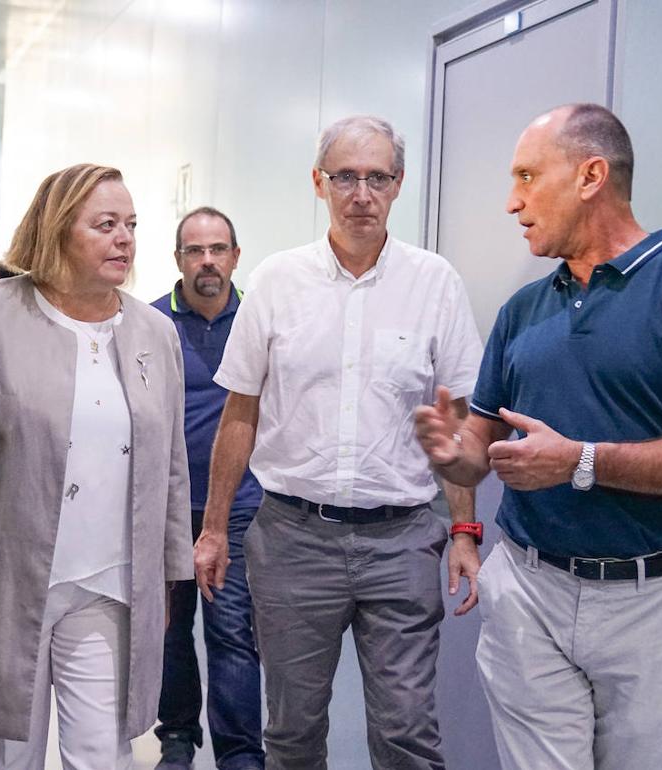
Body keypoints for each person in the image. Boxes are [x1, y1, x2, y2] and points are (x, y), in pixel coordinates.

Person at [415, 103, 662, 770]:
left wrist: (581, 462)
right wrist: (450, 455)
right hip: (528, 591)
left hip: (651, 599)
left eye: (526, 176)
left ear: (591, 175)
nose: (512, 202)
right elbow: (477, 454)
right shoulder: (522, 310)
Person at [196, 115, 484, 769]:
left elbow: (456, 421)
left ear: (399, 184)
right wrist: (214, 530)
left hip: (403, 541)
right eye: (346, 177)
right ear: (319, 183)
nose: (362, 193)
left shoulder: (434, 283)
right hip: (294, 540)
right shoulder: (276, 280)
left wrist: (465, 530)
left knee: (408, 732)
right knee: (293, 733)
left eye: (377, 177)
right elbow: (239, 412)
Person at [0, 163, 193, 769]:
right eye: (106, 224)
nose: (125, 239)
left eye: (132, 225)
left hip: (110, 586)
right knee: (1, 756)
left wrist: (167, 577)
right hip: (5, 584)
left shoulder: (153, 332)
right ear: (58, 230)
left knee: (102, 757)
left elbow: (171, 470)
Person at [151, 207, 264, 770]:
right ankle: (176, 736)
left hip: (241, 508)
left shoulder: (258, 321)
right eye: (195, 251)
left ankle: (242, 754)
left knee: (231, 632)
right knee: (169, 634)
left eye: (218, 249)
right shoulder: (148, 324)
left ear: (235, 257)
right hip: (167, 510)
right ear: (178, 260)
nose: (207, 262)